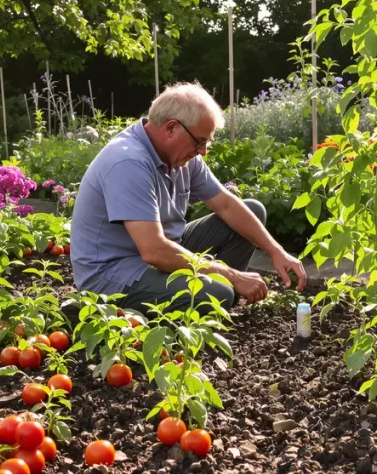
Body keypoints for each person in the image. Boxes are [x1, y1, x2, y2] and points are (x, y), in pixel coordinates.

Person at [70, 82, 307, 313]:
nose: (203, 151)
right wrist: (232, 275)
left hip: (158, 253)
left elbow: (225, 205)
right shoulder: (128, 162)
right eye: (200, 141)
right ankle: (219, 295)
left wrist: (277, 251)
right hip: (113, 275)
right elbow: (154, 251)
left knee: (252, 210)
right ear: (171, 128)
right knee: (219, 293)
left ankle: (220, 297)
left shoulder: (183, 157)